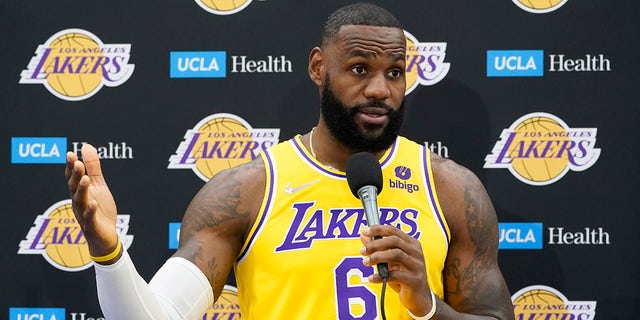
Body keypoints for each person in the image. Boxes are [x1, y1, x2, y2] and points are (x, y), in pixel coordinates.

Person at [65, 2, 515, 319]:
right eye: (360, 69)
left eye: (394, 72)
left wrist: (427, 308)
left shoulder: (452, 190)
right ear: (319, 68)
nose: (380, 89)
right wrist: (110, 254)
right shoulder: (246, 192)